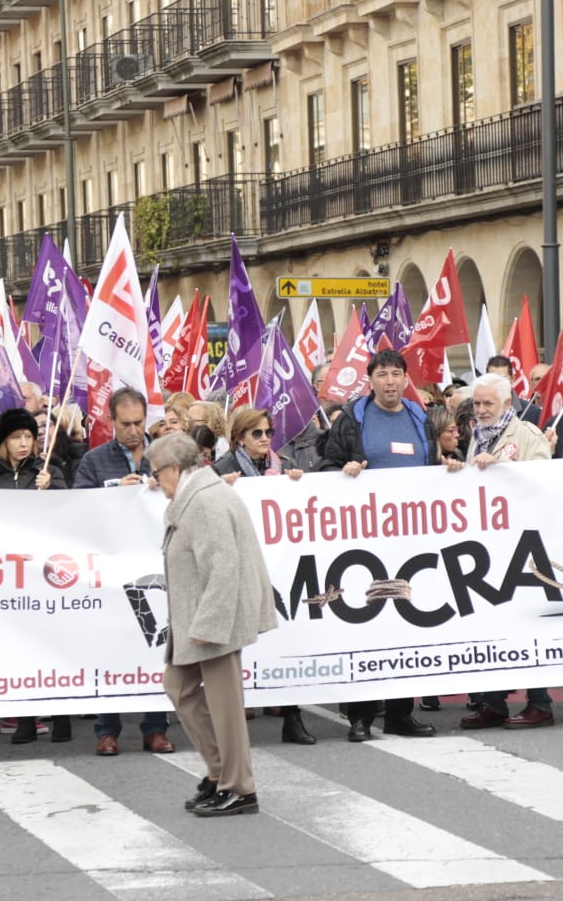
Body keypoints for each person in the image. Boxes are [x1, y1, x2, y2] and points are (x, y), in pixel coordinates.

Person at [319, 348, 452, 742]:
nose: (390, 381)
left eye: (396, 374)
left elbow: (431, 466)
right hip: (366, 537)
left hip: (411, 536)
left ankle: (399, 714)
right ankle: (360, 717)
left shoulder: (419, 417)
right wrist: (343, 470)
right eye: (382, 374)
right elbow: (325, 466)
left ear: (405, 379)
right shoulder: (352, 419)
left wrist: (449, 467)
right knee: (367, 624)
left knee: (406, 624)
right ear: (371, 380)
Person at [148, 433, 277, 817]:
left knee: (225, 706)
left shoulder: (204, 500)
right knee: (179, 685)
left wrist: (210, 624)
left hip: (216, 618)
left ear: (174, 468)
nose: (155, 481)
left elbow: (223, 567)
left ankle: (238, 787)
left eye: (156, 472)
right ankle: (221, 772)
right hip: (203, 617)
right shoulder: (199, 494)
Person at [71, 389, 175, 756]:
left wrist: (160, 487)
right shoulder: (94, 460)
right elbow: (78, 506)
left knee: (158, 646)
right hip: (111, 567)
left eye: (138, 423)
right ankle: (107, 729)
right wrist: (114, 490)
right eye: (125, 423)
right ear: (110, 421)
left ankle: (156, 728)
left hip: (156, 565)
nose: (133, 430)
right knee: (109, 646)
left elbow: (185, 494)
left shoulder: (165, 456)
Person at [456, 374, 558, 729]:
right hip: (490, 543)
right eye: (477, 403)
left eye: (488, 403)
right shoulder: (477, 436)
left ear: (506, 405)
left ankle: (540, 703)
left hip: (523, 543)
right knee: (492, 624)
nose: (481, 410)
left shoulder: (526, 434)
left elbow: (544, 481)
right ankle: (493, 702)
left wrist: (504, 470)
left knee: (528, 623)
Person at [210, 407, 314, 744]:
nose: (265, 439)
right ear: (240, 437)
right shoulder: (220, 469)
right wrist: (220, 488)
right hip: (241, 565)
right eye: (257, 433)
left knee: (287, 637)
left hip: (281, 565)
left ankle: (293, 717)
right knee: (238, 645)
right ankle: (230, 725)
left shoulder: (282, 464)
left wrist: (296, 483)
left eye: (269, 432)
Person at [0, 408, 72, 744]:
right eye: (16, 437)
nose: (23, 443)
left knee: (54, 645)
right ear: (3, 442)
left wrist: (52, 489)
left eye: (28, 437)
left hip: (45, 571)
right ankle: (26, 720)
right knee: (20, 646)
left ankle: (62, 718)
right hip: (10, 573)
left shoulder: (49, 470)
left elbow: (71, 513)